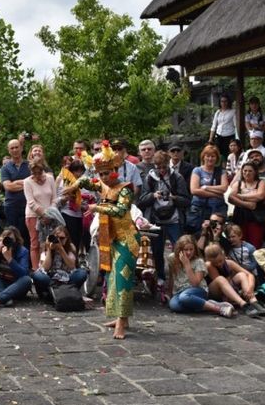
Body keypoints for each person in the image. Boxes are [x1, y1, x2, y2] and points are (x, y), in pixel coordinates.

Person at [67, 141, 138, 339]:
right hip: (111, 238)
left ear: (115, 170)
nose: (104, 177)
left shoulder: (125, 189)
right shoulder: (103, 187)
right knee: (112, 279)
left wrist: (96, 208)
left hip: (127, 239)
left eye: (107, 173)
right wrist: (74, 185)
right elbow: (85, 182)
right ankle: (120, 317)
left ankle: (122, 323)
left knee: (123, 279)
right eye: (101, 174)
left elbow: (121, 210)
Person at [137, 150, 191, 295]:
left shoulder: (177, 177)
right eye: (158, 167)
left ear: (168, 164)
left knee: (179, 249)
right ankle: (160, 277)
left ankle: (181, 278)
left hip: (174, 218)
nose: (161, 170)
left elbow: (186, 200)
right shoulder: (150, 178)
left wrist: (174, 198)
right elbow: (141, 200)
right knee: (157, 250)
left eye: (163, 167)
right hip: (156, 219)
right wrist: (153, 196)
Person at [167, 236, 234, 317]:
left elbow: (195, 283)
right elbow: (172, 277)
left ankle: (218, 308)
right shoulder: (172, 258)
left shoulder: (199, 261)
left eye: (191, 249)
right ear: (180, 250)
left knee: (184, 297)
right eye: (186, 250)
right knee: (175, 306)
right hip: (179, 291)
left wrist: (187, 265)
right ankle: (206, 304)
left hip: (197, 290)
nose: (189, 252)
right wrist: (170, 293)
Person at [204, 243, 265, 318]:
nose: (219, 264)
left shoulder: (229, 263)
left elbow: (249, 275)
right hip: (215, 292)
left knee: (242, 275)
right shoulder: (209, 265)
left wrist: (251, 288)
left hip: (228, 289)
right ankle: (244, 305)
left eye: (220, 261)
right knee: (220, 279)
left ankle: (254, 302)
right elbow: (222, 285)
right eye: (215, 263)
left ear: (223, 254)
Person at [31, 225, 86, 298]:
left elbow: (72, 266)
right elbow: (44, 268)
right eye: (57, 238)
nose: (59, 240)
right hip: (51, 280)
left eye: (62, 238)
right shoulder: (46, 247)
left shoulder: (70, 247)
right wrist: (49, 250)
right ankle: (55, 292)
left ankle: (64, 291)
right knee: (37, 275)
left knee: (82, 273)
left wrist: (61, 249)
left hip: (67, 279)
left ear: (67, 238)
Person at [23, 158, 57, 270]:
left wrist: (50, 213)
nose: (37, 175)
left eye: (39, 172)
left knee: (50, 242)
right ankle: (35, 269)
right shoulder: (27, 182)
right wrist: (43, 214)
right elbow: (31, 202)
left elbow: (54, 198)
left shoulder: (50, 178)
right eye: (34, 173)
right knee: (35, 243)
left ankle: (49, 267)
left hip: (50, 215)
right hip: (33, 215)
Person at [187, 145, 228, 233]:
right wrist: (216, 193)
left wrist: (206, 187)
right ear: (203, 157)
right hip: (199, 210)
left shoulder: (221, 171)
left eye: (213, 156)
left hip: (217, 209)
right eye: (208, 156)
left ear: (217, 158)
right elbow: (194, 190)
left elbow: (224, 188)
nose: (210, 158)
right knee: (198, 234)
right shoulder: (197, 170)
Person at [228, 162, 265, 248]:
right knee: (241, 242)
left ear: (255, 172)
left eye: (250, 171)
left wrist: (241, 196)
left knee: (255, 243)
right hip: (240, 217)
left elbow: (260, 196)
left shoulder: (261, 183)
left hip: (256, 218)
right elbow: (230, 198)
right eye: (245, 170)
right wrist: (248, 204)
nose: (247, 173)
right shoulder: (238, 183)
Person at [1, 139, 31, 251]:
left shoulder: (29, 166)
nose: (14, 150)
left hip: (27, 205)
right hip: (11, 206)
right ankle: (12, 258)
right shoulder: (5, 168)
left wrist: (16, 183)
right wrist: (26, 183)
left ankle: (27, 262)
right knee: (12, 234)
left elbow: (33, 183)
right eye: (12, 148)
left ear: (21, 148)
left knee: (26, 234)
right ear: (9, 151)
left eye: (16, 147)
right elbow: (8, 187)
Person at [209, 94, 238, 160]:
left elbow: (236, 125)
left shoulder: (233, 112)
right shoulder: (218, 112)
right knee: (217, 154)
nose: (224, 103)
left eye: (225, 101)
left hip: (229, 136)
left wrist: (236, 138)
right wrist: (210, 138)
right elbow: (214, 126)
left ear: (228, 102)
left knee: (228, 155)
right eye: (222, 101)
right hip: (219, 136)